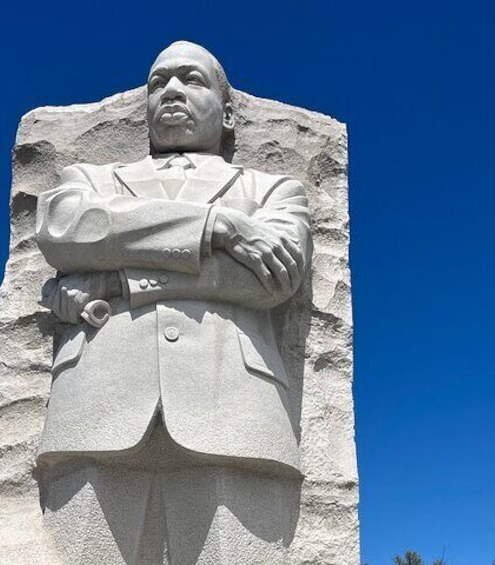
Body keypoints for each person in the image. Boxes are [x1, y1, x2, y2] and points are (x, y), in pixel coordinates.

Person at [35, 40, 312, 565]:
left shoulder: (273, 189)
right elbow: (64, 228)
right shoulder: (91, 181)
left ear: (229, 112)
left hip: (236, 411)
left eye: (191, 79)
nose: (171, 91)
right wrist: (218, 225)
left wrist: (117, 281)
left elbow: (272, 279)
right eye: (158, 83)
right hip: (96, 408)